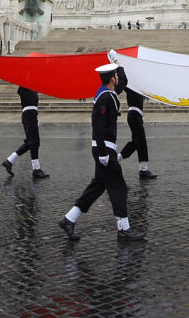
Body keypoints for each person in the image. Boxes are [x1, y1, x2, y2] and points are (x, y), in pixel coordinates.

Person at [59, 58, 144, 241]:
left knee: (97, 187)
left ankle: (69, 219)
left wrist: (118, 63)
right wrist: (104, 154)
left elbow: (124, 81)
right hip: (104, 148)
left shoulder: (109, 92)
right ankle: (124, 228)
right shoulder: (105, 96)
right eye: (115, 75)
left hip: (105, 148)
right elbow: (97, 126)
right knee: (119, 186)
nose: (117, 78)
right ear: (112, 79)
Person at [0, 86, 49, 179]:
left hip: (32, 114)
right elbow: (20, 89)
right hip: (29, 115)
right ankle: (36, 169)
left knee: (30, 142)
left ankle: (9, 161)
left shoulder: (31, 87)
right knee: (34, 142)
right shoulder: (24, 86)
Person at [118, 88, 157, 180]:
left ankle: (116, 160)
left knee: (135, 143)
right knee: (141, 141)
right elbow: (125, 84)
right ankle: (143, 170)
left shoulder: (139, 90)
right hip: (134, 116)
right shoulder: (131, 88)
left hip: (136, 116)